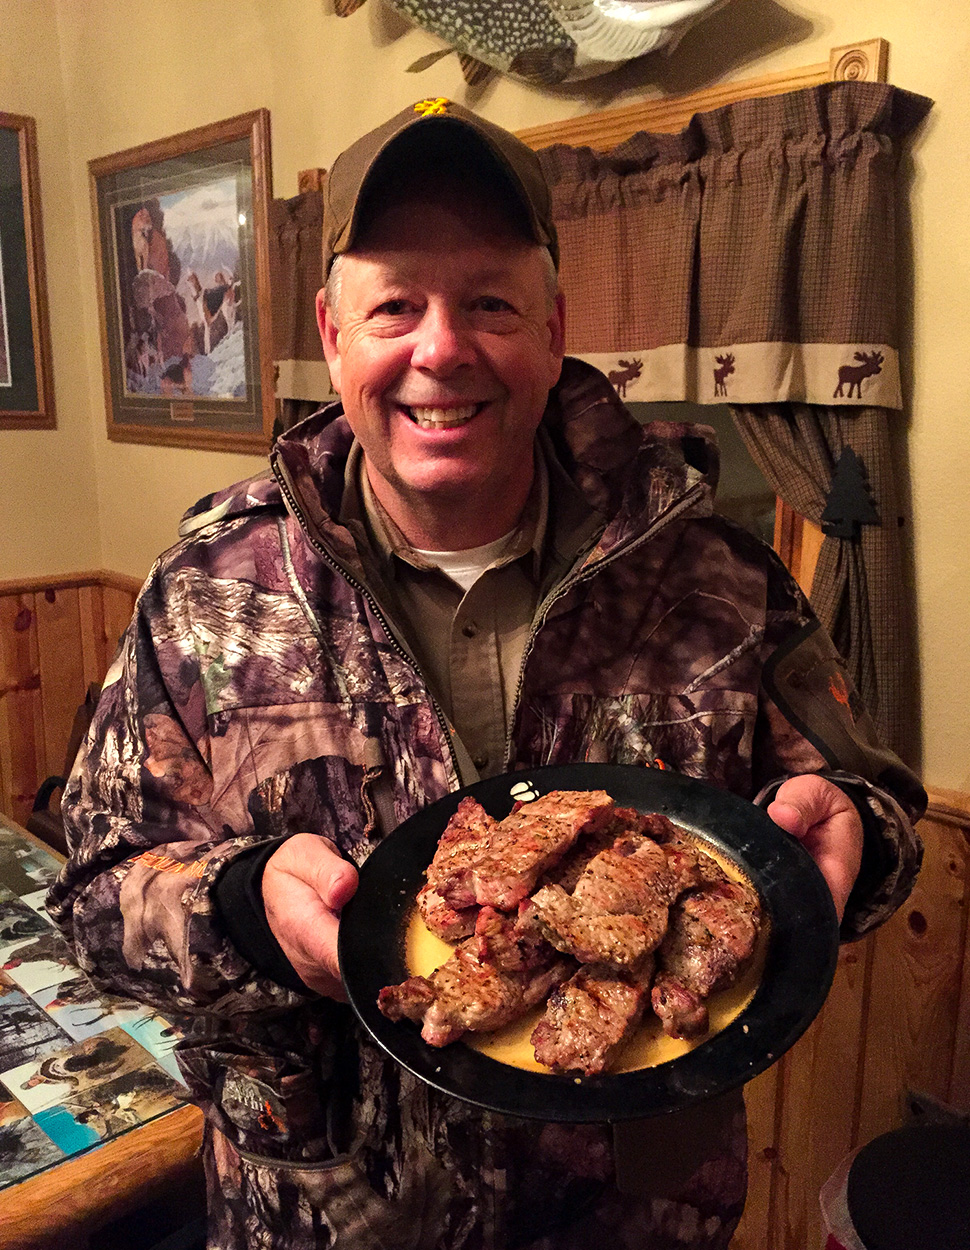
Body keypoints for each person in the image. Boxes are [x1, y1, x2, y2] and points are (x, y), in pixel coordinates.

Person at [48, 99, 925, 1250]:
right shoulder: (209, 590)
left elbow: (881, 822)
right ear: (332, 332)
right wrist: (241, 904)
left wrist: (849, 845)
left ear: (554, 326)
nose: (441, 348)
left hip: (633, 1218)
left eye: (489, 302)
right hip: (315, 1217)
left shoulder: (717, 572)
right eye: (395, 305)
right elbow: (96, 900)